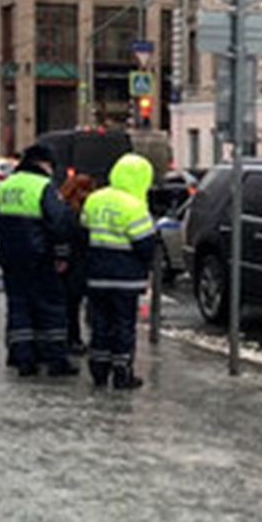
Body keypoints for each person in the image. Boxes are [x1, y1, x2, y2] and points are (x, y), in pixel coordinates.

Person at [0, 143, 77, 377]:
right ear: (43, 164)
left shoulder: (6, 186)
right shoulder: (43, 187)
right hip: (40, 257)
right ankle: (56, 359)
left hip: (11, 258)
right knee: (51, 308)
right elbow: (59, 224)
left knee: (18, 307)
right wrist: (62, 254)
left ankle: (22, 358)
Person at [81, 154, 157, 390]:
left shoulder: (95, 199)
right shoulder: (135, 206)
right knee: (123, 325)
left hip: (96, 275)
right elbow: (145, 244)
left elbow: (83, 231)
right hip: (126, 278)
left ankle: (99, 371)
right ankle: (122, 373)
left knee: (99, 324)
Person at [61, 173, 99, 356]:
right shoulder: (88, 210)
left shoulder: (63, 209)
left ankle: (72, 339)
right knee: (91, 305)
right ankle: (90, 340)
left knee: (71, 306)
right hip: (86, 262)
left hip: (70, 263)